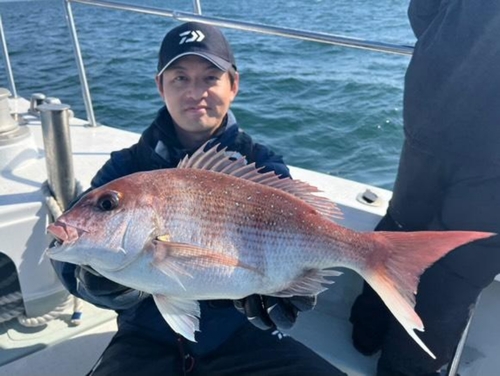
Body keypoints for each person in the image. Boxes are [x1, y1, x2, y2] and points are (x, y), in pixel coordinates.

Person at [50, 22, 346, 376]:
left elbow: (299, 239)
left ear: (233, 85)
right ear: (160, 86)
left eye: (209, 77)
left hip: (240, 334)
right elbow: (65, 253)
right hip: (146, 335)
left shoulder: (263, 165)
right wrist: (93, 284)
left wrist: (284, 297)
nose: (195, 92)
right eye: (179, 78)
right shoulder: (124, 170)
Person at [349, 1, 500, 375]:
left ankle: (367, 332)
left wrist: (448, 50)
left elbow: (423, 12)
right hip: (488, 150)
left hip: (433, 105)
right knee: (459, 267)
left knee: (401, 226)